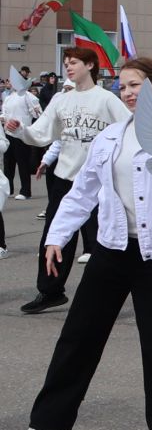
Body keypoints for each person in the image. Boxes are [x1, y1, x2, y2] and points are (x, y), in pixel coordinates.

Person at [13, 58, 152, 430]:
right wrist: (56, 237)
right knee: (78, 336)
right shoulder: (107, 140)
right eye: (122, 86)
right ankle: (45, 422)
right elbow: (82, 193)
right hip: (111, 250)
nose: (128, 92)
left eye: (135, 85)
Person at [8, 48, 129, 314]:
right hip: (64, 178)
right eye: (66, 63)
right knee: (54, 235)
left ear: (90, 65)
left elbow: (130, 129)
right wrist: (20, 130)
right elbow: (40, 134)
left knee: (104, 240)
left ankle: (105, 296)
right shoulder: (61, 101)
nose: (68, 67)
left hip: (100, 181)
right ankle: (50, 291)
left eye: (73, 62)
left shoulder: (106, 99)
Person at [3, 71, 42, 200]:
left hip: (22, 133)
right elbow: (5, 113)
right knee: (8, 164)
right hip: (8, 133)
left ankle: (26, 191)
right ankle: (9, 189)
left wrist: (35, 111)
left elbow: (37, 113)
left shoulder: (28, 96)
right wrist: (3, 118)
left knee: (23, 163)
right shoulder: (8, 97)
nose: (9, 83)